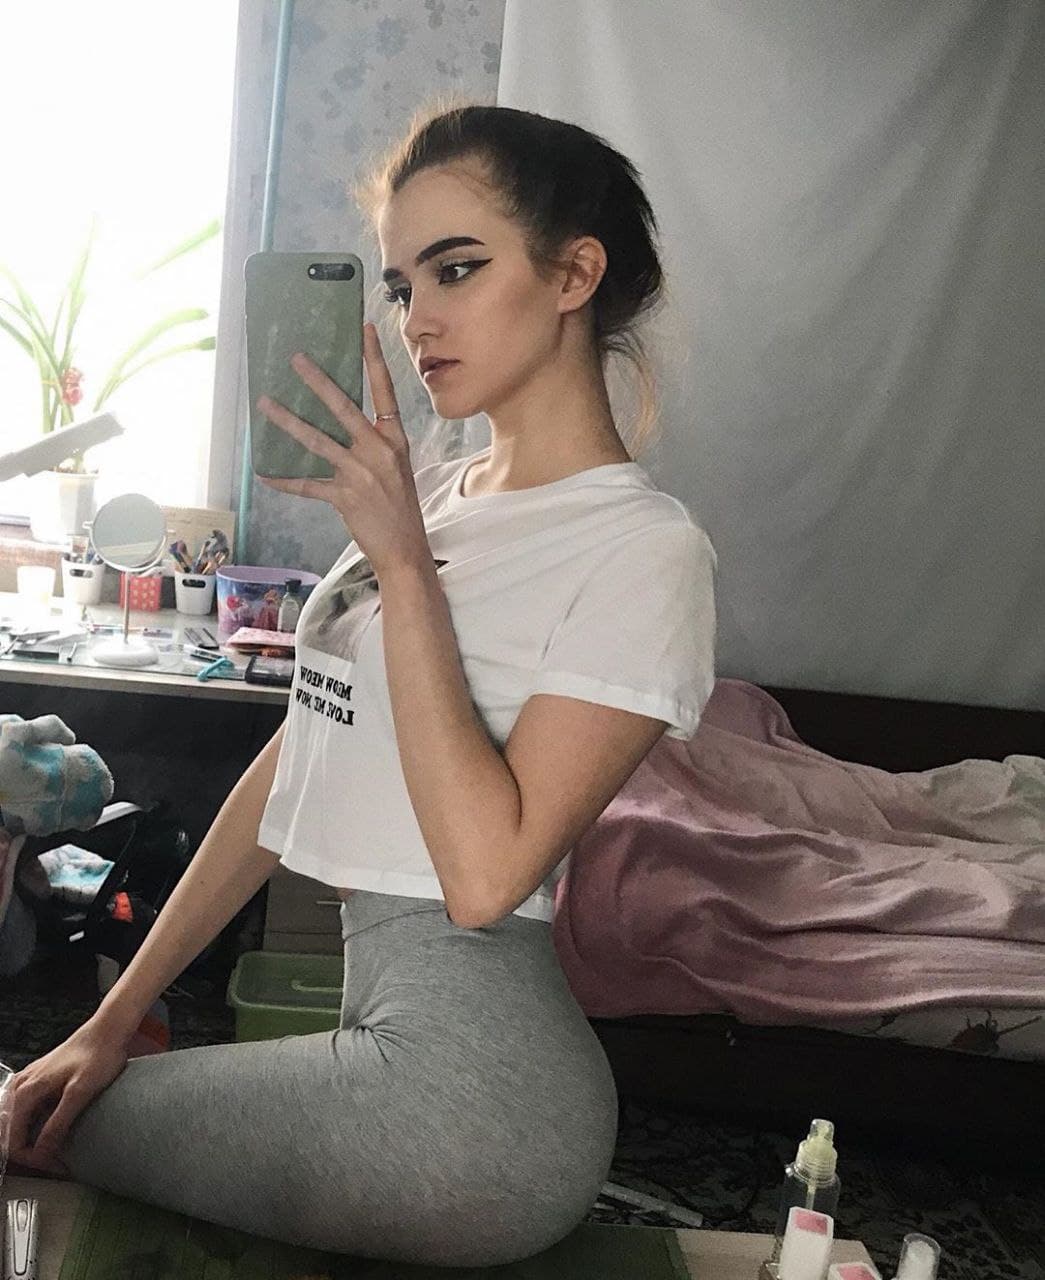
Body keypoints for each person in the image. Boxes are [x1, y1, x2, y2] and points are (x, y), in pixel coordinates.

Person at [6, 97, 717, 1267]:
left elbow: (485, 878)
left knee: (33, 1128)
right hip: (377, 1042)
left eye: (457, 268)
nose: (416, 318)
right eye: (398, 284)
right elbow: (297, 754)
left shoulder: (643, 549)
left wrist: (402, 562)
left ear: (574, 273)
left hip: (480, 1100)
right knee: (46, 1097)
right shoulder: (429, 490)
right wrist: (111, 1016)